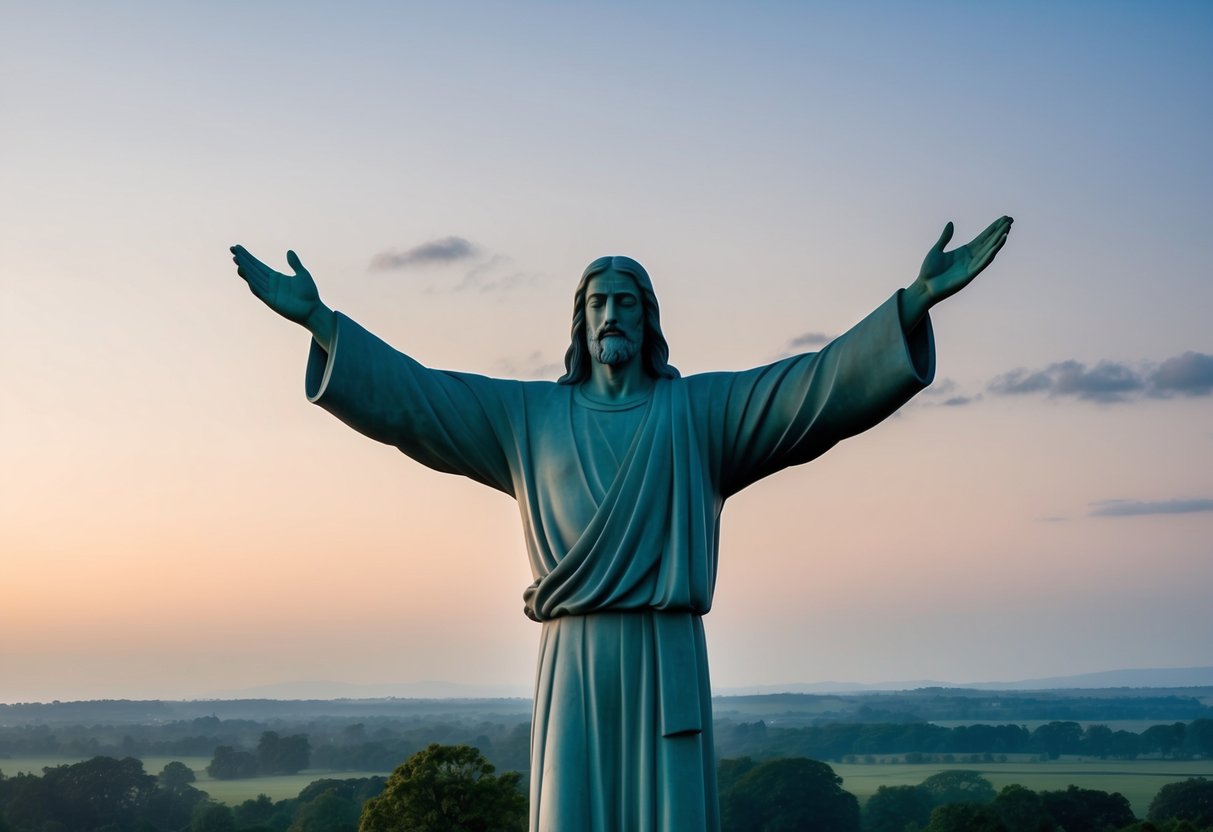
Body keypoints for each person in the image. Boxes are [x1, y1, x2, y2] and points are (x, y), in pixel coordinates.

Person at [230, 215, 1013, 831]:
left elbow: (813, 391)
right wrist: (325, 325)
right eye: (598, 302)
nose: (611, 314)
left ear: (647, 320)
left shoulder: (698, 415)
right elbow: (417, 398)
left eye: (626, 302)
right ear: (580, 320)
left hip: (665, 646)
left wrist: (909, 306)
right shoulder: (527, 417)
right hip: (572, 654)